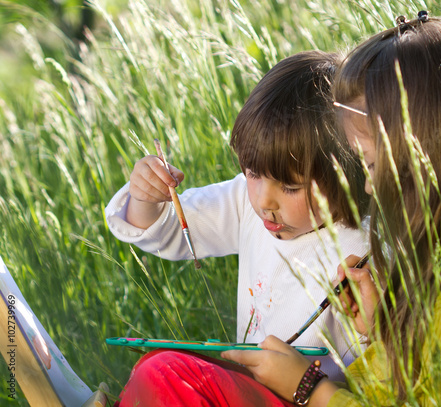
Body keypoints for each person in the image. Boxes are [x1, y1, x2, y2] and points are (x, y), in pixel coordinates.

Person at [221, 13, 441, 406]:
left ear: (431, 160)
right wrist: (379, 333)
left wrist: (308, 389)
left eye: (370, 165)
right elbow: (406, 386)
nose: (368, 186)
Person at [106, 51, 369, 406]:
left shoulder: (365, 245)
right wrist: (145, 198)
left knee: (163, 374)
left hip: (312, 397)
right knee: (154, 365)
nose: (264, 200)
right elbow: (168, 232)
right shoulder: (247, 204)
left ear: (348, 172)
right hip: (249, 388)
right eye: (252, 172)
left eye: (290, 187)